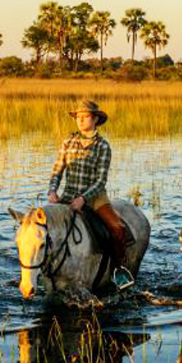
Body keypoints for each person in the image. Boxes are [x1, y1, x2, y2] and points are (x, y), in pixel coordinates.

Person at [47, 100, 135, 289]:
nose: (80, 120)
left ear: (95, 119)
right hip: (68, 194)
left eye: (85, 116)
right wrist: (52, 191)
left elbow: (100, 180)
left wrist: (83, 198)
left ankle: (118, 270)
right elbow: (57, 171)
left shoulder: (103, 146)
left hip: (95, 197)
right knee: (43, 228)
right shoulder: (67, 142)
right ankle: (44, 269)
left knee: (117, 228)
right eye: (78, 117)